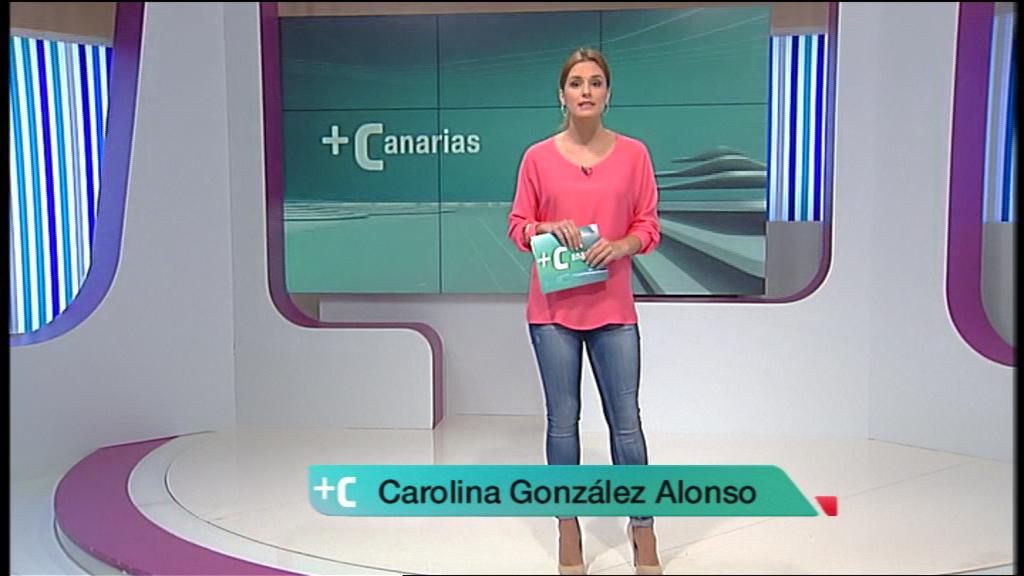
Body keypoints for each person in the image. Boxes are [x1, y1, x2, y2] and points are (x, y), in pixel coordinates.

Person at [507, 48, 662, 576]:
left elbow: (649, 225)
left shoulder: (635, 155)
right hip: (552, 312)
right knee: (562, 423)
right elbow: (517, 226)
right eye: (576, 83)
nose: (586, 91)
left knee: (627, 424)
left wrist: (622, 246)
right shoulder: (537, 158)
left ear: (608, 94)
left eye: (596, 82)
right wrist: (545, 228)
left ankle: (643, 529)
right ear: (563, 95)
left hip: (613, 309)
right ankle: (567, 527)